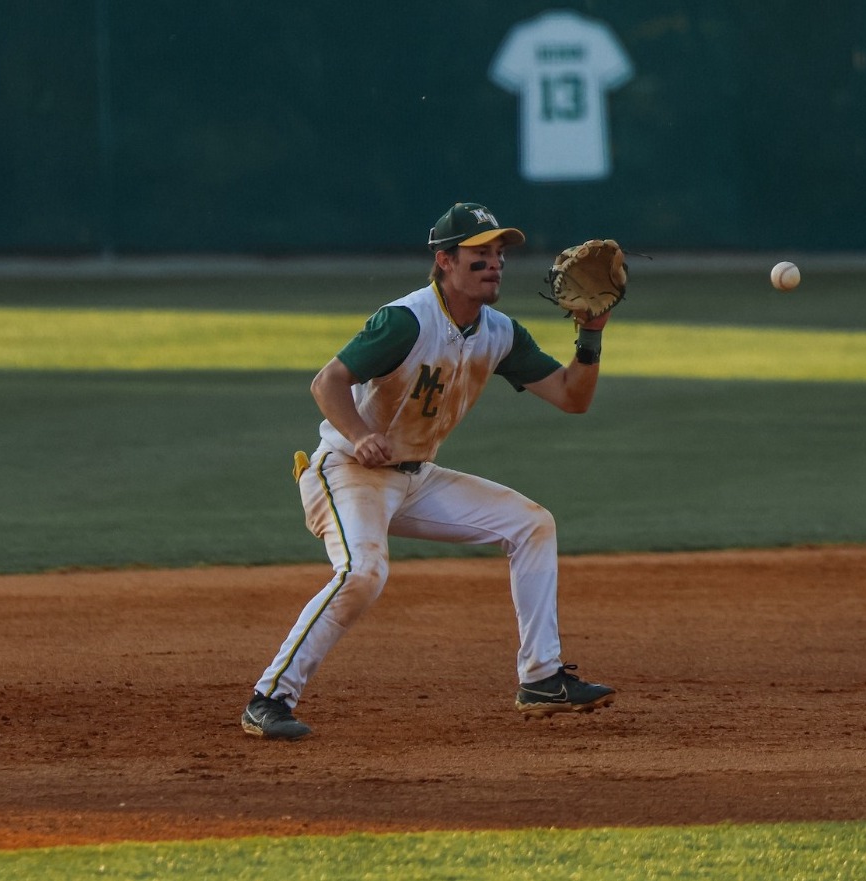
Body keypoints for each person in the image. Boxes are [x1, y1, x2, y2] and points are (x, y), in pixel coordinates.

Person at [241, 202, 617, 740]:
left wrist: (592, 334)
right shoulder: (406, 320)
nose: (494, 265)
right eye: (478, 255)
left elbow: (570, 397)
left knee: (532, 524)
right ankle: (268, 697)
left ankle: (541, 678)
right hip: (346, 471)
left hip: (415, 479)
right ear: (444, 261)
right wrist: (359, 434)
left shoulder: (500, 332)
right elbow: (328, 381)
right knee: (363, 572)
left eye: (498, 254)